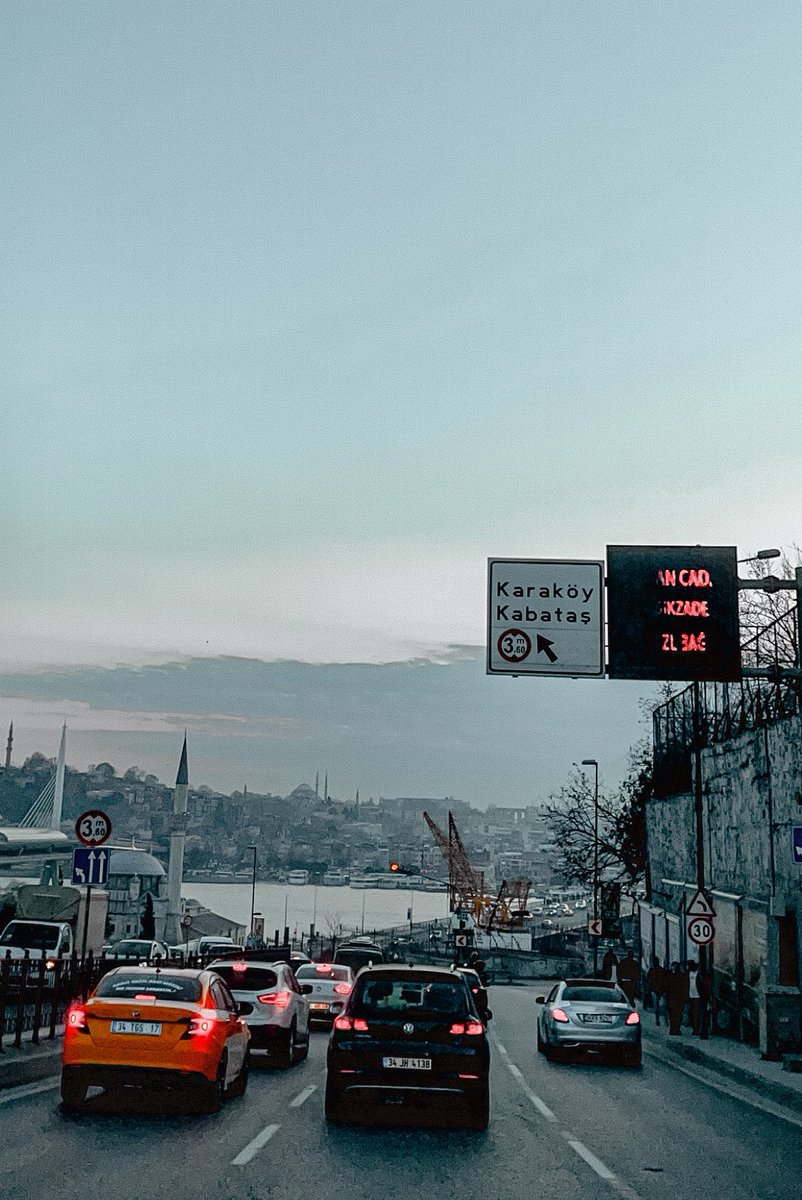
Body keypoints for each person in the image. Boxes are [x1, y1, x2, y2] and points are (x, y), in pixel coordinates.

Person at [666, 961, 689, 1035]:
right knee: (673, 1015)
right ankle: (673, 1029)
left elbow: (683, 987)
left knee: (677, 1015)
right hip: (672, 999)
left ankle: (676, 1029)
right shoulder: (669, 975)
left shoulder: (680, 976)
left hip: (678, 999)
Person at [646, 955, 668, 1026]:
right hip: (662, 991)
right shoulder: (662, 970)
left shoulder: (651, 970)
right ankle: (665, 1021)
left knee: (657, 1007)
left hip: (655, 990)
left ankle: (657, 1021)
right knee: (664, 1007)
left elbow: (648, 979)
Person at [686, 959, 700, 1034]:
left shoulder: (698, 973)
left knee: (696, 1014)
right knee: (691, 1013)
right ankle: (694, 1028)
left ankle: (696, 1029)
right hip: (690, 996)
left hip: (697, 996)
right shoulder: (688, 973)